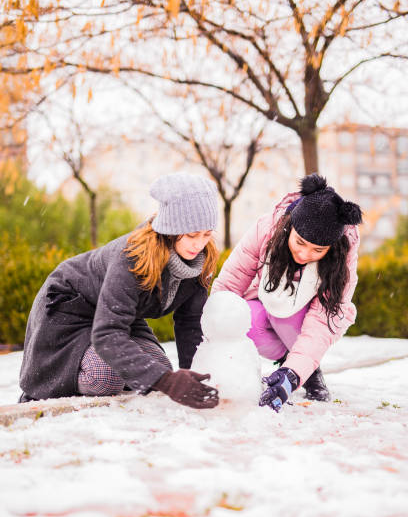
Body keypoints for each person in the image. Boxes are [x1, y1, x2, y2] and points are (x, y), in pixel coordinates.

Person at [19, 173, 220, 409]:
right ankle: (74, 373)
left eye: (207, 234)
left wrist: (190, 379)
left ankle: (96, 363)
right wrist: (169, 383)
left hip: (117, 315)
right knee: (106, 378)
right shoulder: (133, 257)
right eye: (192, 235)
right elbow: (107, 333)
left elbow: (190, 323)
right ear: (171, 229)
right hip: (70, 307)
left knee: (157, 370)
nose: (199, 244)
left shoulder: (199, 261)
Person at [212, 174, 362, 412]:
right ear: (290, 226)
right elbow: (230, 283)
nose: (304, 254)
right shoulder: (267, 228)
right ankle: (289, 360)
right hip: (265, 304)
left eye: (318, 250)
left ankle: (305, 368)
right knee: (245, 319)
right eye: (300, 242)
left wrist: (293, 375)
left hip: (304, 320)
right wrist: (213, 337)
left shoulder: (341, 260)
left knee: (286, 316)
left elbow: (323, 322)